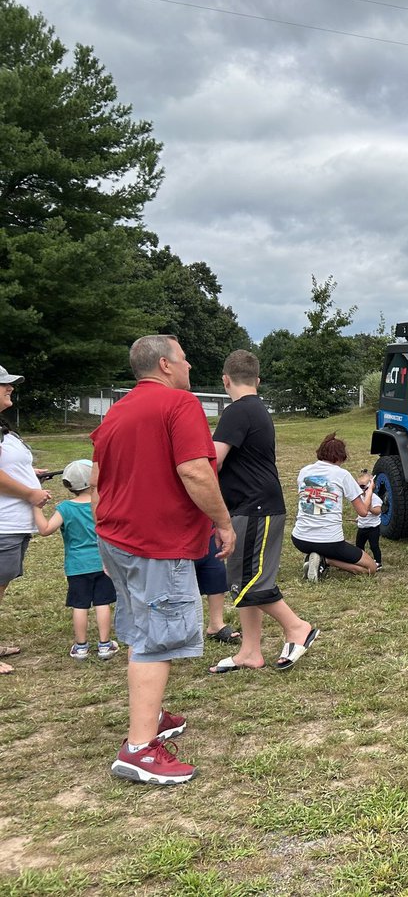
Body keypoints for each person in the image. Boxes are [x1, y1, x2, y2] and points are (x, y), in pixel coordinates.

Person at [92, 335, 235, 785]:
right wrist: (223, 523)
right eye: (185, 357)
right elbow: (195, 470)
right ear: (166, 365)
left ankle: (149, 715)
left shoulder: (116, 411)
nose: (190, 364)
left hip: (117, 538)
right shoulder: (179, 405)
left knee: (139, 627)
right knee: (158, 640)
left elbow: (98, 479)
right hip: (158, 543)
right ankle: (139, 750)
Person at [209, 349, 318, 674]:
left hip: (254, 508)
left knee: (249, 581)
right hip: (256, 505)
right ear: (257, 380)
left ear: (225, 380)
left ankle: (297, 627)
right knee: (246, 580)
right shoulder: (256, 409)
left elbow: (213, 459)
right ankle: (250, 652)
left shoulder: (237, 411)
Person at [32, 459, 119, 660]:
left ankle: (81, 648)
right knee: (102, 603)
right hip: (103, 563)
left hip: (76, 567)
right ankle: (105, 645)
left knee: (80, 605)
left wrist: (36, 508)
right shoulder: (103, 504)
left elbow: (45, 530)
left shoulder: (65, 508)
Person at [0, 365, 54, 675]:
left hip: (12, 525)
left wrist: (28, 475)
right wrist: (29, 494)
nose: (10, 389)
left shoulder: (4, 427)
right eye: (4, 384)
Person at [292, 433, 378, 580]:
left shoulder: (304, 471)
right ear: (340, 457)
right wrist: (369, 490)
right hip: (329, 541)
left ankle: (316, 558)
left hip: (300, 539)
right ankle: (326, 560)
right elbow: (363, 511)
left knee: (319, 544)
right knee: (371, 568)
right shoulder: (342, 474)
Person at [195, 530, 241, 645]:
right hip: (177, 532)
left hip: (206, 528)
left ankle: (216, 625)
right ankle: (186, 629)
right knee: (184, 579)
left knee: (216, 572)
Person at [354, 470, 384, 572]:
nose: (360, 489)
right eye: (358, 486)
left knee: (374, 546)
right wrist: (358, 518)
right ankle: (361, 560)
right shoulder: (360, 498)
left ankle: (378, 562)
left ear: (370, 486)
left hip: (373, 528)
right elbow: (360, 512)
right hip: (362, 527)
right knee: (359, 545)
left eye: (362, 486)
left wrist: (369, 508)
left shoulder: (375, 498)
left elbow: (378, 511)